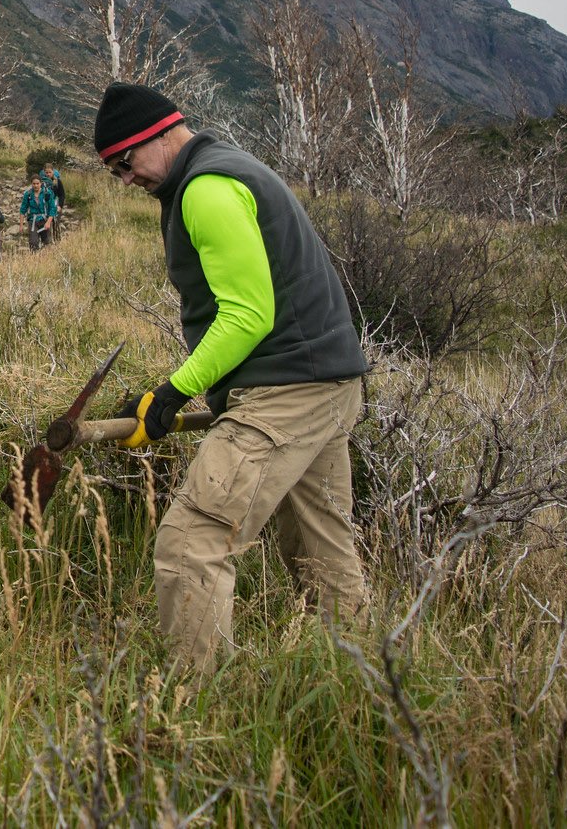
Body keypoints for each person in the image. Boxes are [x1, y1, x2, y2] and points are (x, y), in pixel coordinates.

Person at [96, 82, 369, 673]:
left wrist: (173, 391)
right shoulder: (228, 169)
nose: (126, 179)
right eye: (114, 171)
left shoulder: (207, 189)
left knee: (192, 543)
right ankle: (361, 687)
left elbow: (248, 313)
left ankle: (190, 713)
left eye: (126, 162)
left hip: (287, 391)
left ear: (161, 135)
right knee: (324, 554)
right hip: (327, 385)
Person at [40, 162, 67, 237]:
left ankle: (57, 240)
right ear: (44, 172)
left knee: (55, 224)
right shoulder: (41, 183)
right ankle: (46, 241)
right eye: (46, 172)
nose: (48, 174)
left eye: (50, 172)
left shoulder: (57, 182)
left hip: (55, 205)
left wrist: (60, 206)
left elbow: (62, 195)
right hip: (44, 206)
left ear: (53, 172)